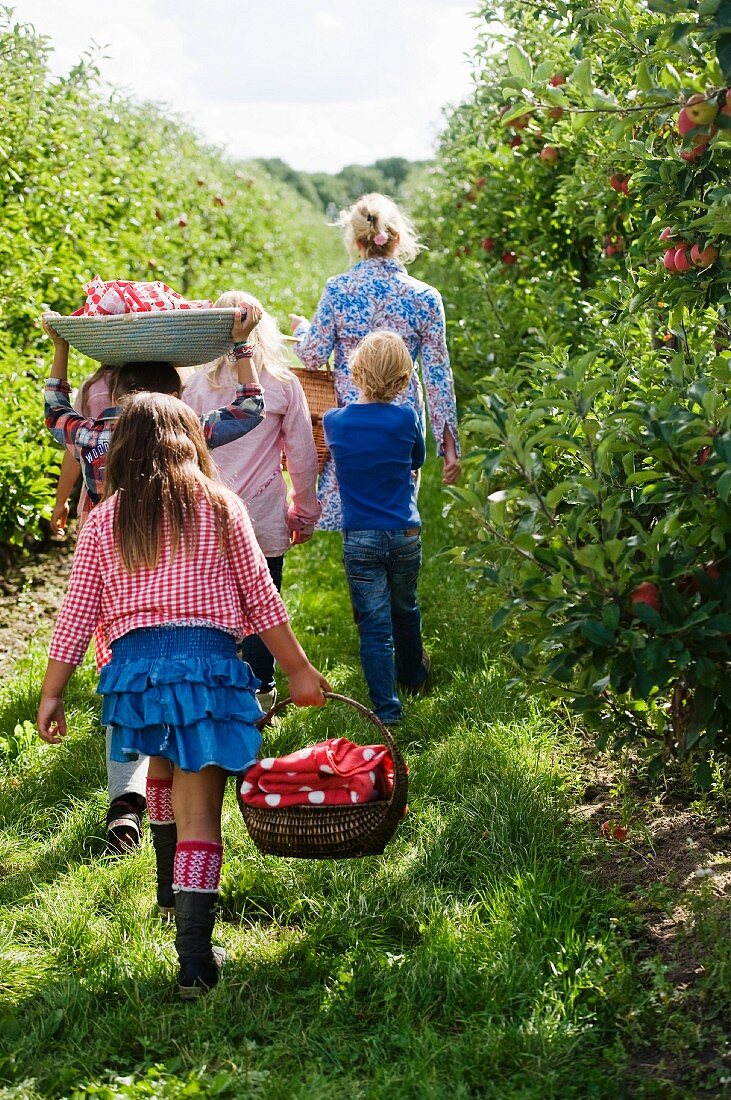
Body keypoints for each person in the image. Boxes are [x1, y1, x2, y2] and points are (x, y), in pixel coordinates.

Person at [37, 393, 331, 998]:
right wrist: (297, 669)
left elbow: (76, 614)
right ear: (192, 441)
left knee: (162, 774)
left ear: (123, 451)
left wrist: (52, 692)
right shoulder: (220, 506)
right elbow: (261, 598)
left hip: (135, 675)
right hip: (206, 669)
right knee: (202, 812)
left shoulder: (107, 517)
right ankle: (196, 962)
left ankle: (169, 894)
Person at [41, 310, 264, 854]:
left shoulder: (91, 434)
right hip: (184, 566)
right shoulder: (187, 430)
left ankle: (126, 797)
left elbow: (55, 412)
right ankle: (168, 849)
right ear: (175, 391)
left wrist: (62, 348)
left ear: (115, 385)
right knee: (174, 696)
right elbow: (250, 408)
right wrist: (240, 348)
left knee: (128, 681)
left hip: (114, 564)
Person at [289, 192, 461, 530]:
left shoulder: (339, 289)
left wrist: (303, 330)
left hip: (349, 417)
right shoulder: (425, 296)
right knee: (397, 512)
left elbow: (312, 356)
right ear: (397, 238)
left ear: (356, 242)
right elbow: (438, 373)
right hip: (402, 418)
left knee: (354, 512)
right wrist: (449, 445)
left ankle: (362, 571)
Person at [184, 291, 321, 712]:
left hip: (207, 510)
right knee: (265, 599)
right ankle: (260, 690)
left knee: (210, 599)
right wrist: (304, 512)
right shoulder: (282, 384)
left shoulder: (195, 385)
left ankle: (218, 686)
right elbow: (301, 454)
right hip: (261, 514)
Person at [323, 331, 428, 726]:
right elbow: (416, 458)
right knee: (406, 606)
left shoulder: (336, 422)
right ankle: (414, 675)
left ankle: (387, 711)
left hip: (361, 537)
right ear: (404, 379)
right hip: (404, 532)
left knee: (374, 625)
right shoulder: (407, 418)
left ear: (355, 372)